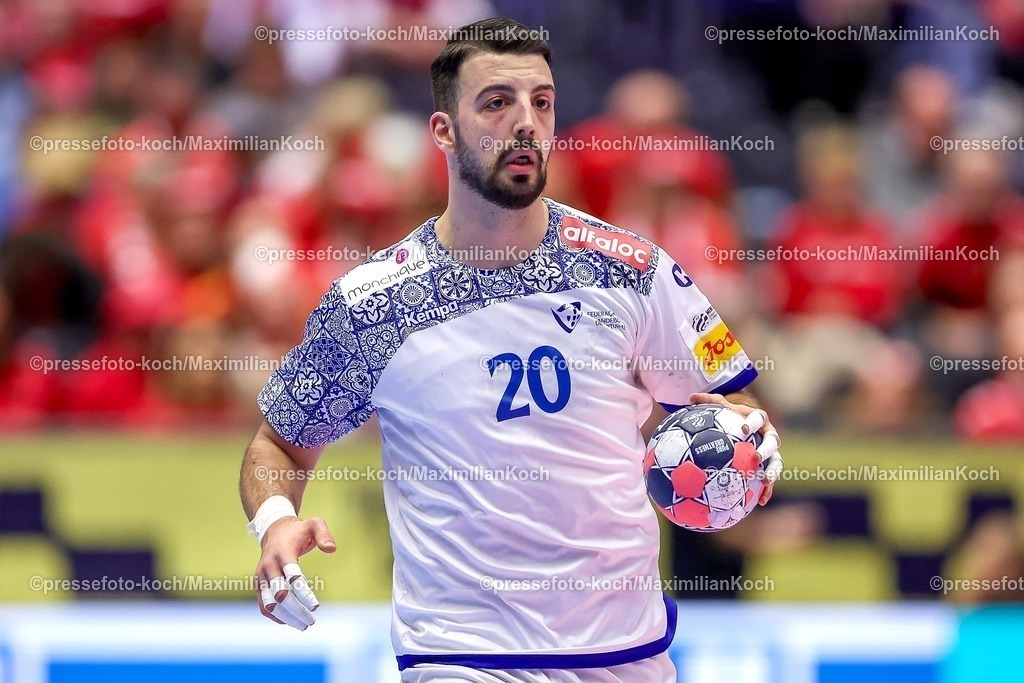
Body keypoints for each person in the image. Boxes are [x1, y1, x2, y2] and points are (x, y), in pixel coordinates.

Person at [238, 17, 783, 683]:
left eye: (542, 102)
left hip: (624, 654)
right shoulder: (373, 302)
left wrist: (748, 438)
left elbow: (733, 401)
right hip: (461, 654)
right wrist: (273, 523)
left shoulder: (634, 271)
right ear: (442, 131)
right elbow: (280, 443)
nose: (526, 121)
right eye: (497, 102)